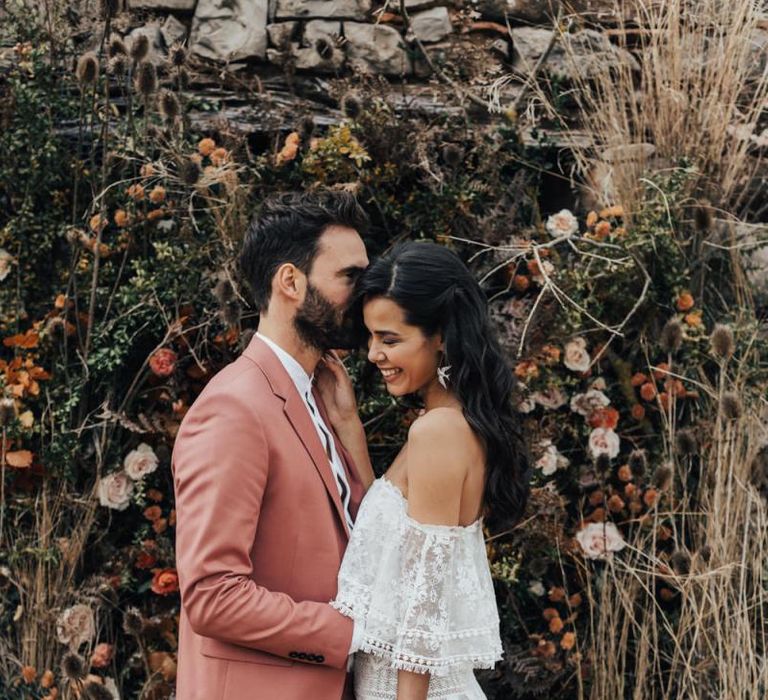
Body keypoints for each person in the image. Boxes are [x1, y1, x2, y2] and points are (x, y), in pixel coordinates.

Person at [171, 191, 374, 700]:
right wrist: (352, 636)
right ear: (291, 282)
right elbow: (212, 596)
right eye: (350, 277)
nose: (368, 296)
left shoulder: (321, 395)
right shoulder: (234, 410)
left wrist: (348, 426)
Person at [316, 241, 532, 700]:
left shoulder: (438, 433)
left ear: (441, 338)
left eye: (390, 339)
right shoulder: (448, 425)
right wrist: (348, 422)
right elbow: (398, 543)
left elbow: (423, 604)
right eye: (372, 337)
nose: (374, 354)